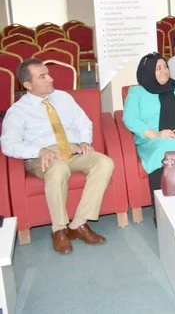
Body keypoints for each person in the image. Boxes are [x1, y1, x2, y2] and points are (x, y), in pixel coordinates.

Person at [1, 59, 115, 254]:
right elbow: (8, 144)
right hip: (43, 156)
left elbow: (84, 123)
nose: (51, 79)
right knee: (59, 168)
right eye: (43, 76)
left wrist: (84, 141)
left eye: (48, 74)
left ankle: (78, 224)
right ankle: (59, 229)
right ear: (28, 84)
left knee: (104, 162)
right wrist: (39, 151)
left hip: (72, 150)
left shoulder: (63, 97)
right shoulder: (18, 111)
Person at [122, 53, 175, 225]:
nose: (164, 71)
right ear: (148, 72)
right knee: (164, 149)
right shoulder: (136, 92)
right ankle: (162, 213)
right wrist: (156, 134)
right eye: (158, 68)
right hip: (152, 139)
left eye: (165, 67)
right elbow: (130, 118)